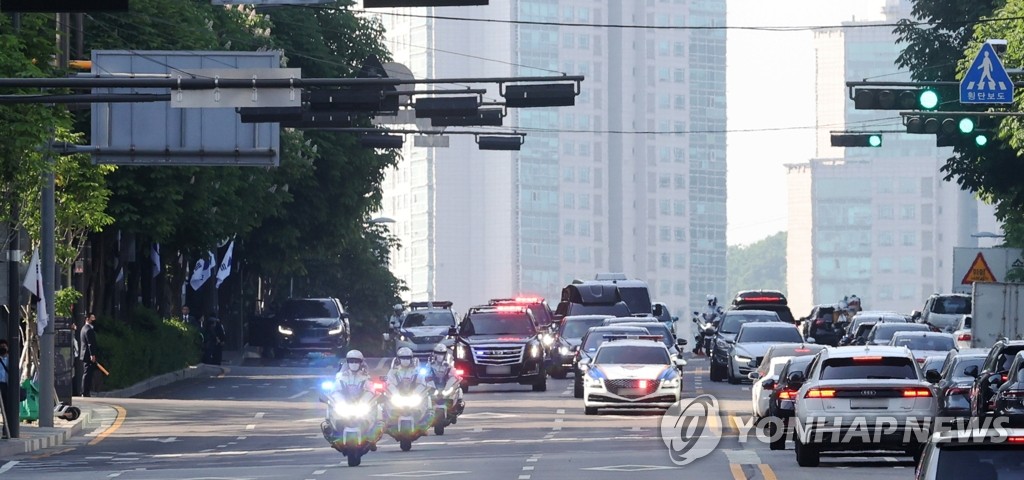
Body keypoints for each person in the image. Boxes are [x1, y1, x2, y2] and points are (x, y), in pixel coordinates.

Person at [79, 313, 99, 397]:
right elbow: (90, 343)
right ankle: (85, 392)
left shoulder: (83, 328)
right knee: (87, 374)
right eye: (92, 318)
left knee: (87, 373)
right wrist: (92, 355)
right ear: (87, 319)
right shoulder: (88, 330)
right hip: (88, 355)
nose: (93, 320)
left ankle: (85, 391)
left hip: (84, 354)